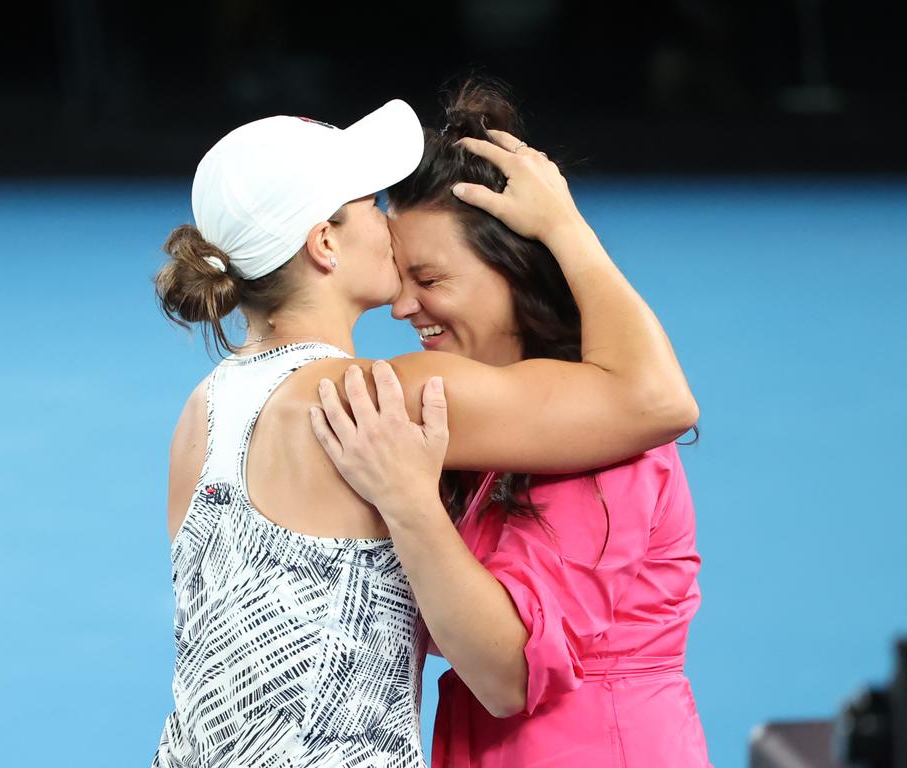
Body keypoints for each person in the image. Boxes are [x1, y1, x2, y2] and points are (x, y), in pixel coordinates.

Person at [152, 95, 697, 767]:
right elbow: (656, 398)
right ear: (325, 242)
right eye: (369, 206)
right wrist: (564, 225)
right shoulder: (381, 397)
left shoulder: (200, 414)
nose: (387, 222)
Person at [310, 81, 711, 766]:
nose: (403, 306)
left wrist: (408, 503)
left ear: (514, 270)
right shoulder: (479, 419)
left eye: (429, 278)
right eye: (399, 276)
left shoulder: (601, 439)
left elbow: (510, 675)